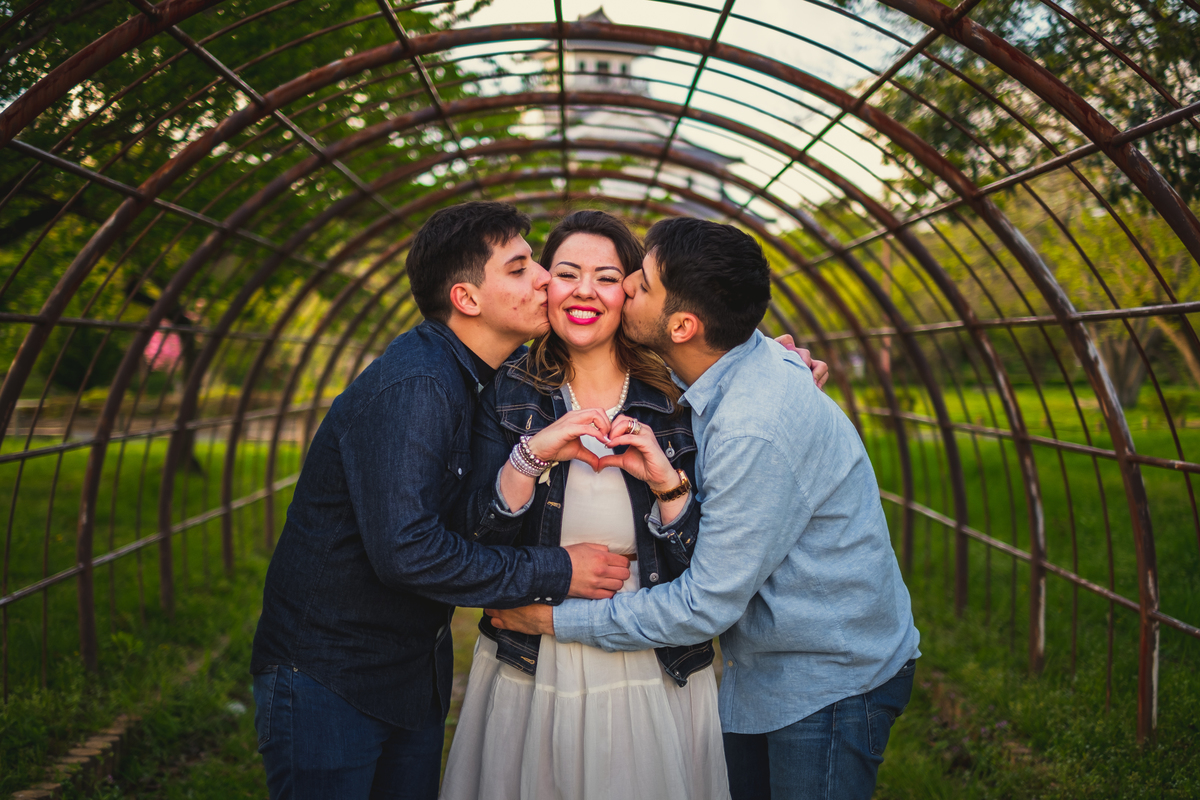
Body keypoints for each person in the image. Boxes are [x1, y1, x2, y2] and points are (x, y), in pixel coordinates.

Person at [487, 216, 921, 800]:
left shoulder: (750, 426)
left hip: (827, 677)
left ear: (684, 325)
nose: (620, 291)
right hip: (764, 668)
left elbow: (702, 604)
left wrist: (551, 620)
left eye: (636, 282)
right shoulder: (720, 376)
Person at [249, 202, 634, 800]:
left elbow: (464, 524)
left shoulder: (476, 377)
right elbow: (408, 553)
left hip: (405, 673)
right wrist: (560, 570)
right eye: (519, 267)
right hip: (331, 676)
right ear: (467, 299)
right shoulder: (419, 385)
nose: (542, 278)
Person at [441, 210, 728, 800]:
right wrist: (529, 456)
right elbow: (470, 541)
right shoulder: (505, 391)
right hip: (533, 657)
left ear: (629, 293)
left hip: (652, 655)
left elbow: (709, 565)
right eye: (568, 273)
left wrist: (668, 486)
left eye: (606, 277)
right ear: (546, 283)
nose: (584, 292)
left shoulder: (677, 401)